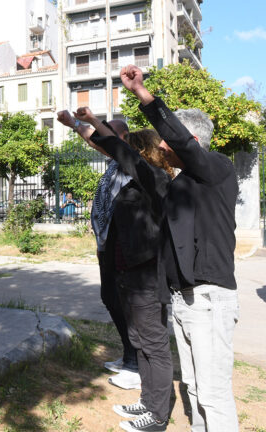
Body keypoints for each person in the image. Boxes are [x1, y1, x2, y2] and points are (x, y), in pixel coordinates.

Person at [118, 64, 240, 432]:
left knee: (213, 393)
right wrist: (86, 128)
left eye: (168, 138)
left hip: (209, 299)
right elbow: (132, 162)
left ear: (191, 141)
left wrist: (142, 93)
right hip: (185, 299)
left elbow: (182, 141)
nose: (163, 146)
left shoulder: (217, 169)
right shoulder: (182, 184)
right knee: (196, 389)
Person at [77, 109, 175, 432]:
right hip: (130, 274)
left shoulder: (155, 181)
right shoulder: (138, 181)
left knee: (154, 344)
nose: (121, 154)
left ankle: (158, 416)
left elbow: (120, 151)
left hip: (147, 275)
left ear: (142, 153)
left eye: (131, 149)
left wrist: (92, 121)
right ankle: (148, 402)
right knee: (141, 339)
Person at [57, 111, 140, 389]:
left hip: (124, 244)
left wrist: (88, 122)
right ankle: (129, 353)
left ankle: (136, 363)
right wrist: (72, 125)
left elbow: (99, 140)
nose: (101, 139)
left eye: (109, 132)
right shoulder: (113, 162)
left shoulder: (131, 161)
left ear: (125, 139)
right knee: (109, 297)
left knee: (127, 302)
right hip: (107, 242)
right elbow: (96, 141)